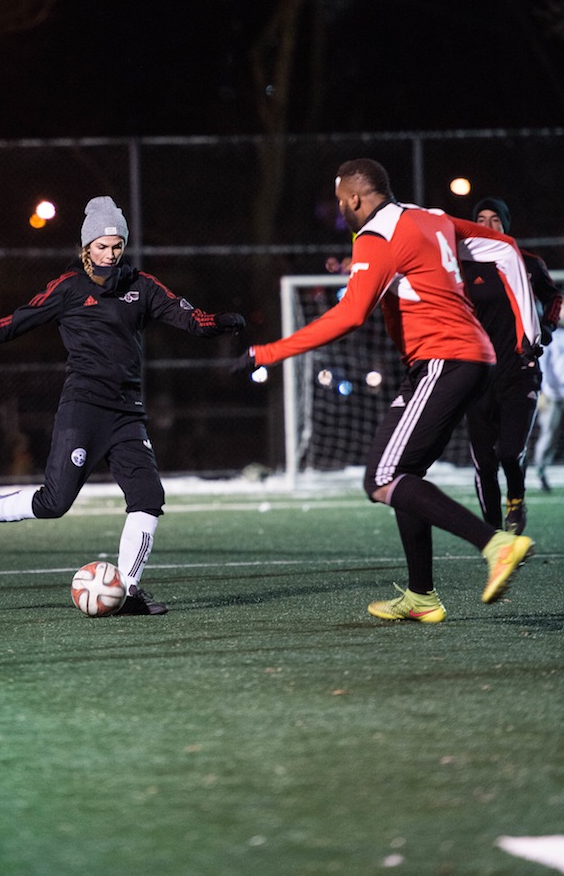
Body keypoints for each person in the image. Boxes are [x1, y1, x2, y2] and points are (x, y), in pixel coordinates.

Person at [231, 158, 537, 624]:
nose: (341, 212)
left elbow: (350, 315)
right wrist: (526, 330)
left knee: (382, 478)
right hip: (460, 359)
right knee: (402, 476)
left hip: (444, 359)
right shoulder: (428, 217)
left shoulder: (377, 236)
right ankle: (421, 596)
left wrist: (267, 353)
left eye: (340, 204)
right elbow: (504, 247)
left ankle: (495, 543)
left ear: (354, 198)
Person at [0, 196, 245, 616]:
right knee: (54, 503)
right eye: (102, 246)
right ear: (86, 246)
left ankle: (127, 591)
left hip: (127, 412)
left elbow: (189, 319)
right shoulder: (67, 289)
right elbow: (10, 326)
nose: (110, 254)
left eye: (117, 246)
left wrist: (218, 322)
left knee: (148, 496)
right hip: (83, 407)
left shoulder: (141, 286)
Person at [463, 197, 561, 534]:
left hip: (519, 371)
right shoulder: (463, 264)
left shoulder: (528, 263)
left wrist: (544, 331)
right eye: (481, 219)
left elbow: (554, 298)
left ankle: (516, 501)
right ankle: (492, 536)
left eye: (495, 220)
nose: (488, 226)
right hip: (476, 375)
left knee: (509, 451)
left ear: (506, 224)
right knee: (484, 463)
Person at [532, 322, 564, 492]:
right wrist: (542, 392)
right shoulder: (550, 335)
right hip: (553, 395)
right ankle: (540, 472)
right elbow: (543, 365)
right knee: (549, 434)